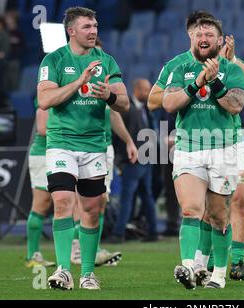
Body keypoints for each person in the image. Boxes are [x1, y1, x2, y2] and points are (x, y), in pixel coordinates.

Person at [148, 10, 244, 284]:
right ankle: (189, 266)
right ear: (190, 36)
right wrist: (196, 83)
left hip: (225, 148)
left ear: (220, 40)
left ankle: (219, 272)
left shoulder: (232, 67)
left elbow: (237, 103)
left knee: (219, 216)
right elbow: (161, 102)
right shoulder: (177, 65)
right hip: (189, 147)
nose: (203, 37)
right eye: (199, 33)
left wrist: (216, 81)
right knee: (191, 210)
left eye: (209, 34)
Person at [37, 6, 129, 290]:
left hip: (94, 145)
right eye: (87, 27)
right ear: (71, 31)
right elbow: (45, 100)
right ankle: (64, 271)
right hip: (61, 142)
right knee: (63, 202)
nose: (94, 31)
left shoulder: (107, 61)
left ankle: (88, 273)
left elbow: (124, 103)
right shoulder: (53, 60)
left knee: (91, 210)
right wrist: (79, 82)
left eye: (96, 26)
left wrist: (109, 95)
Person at [71, 105, 138, 265]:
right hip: (77, 145)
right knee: (77, 200)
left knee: (100, 200)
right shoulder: (72, 82)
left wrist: (128, 141)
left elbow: (114, 114)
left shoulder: (106, 84)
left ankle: (94, 249)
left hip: (104, 148)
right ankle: (76, 249)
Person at [112, 78, 159, 243]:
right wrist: (120, 158)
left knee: (139, 196)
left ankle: (121, 233)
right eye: (145, 90)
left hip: (145, 161)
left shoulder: (146, 109)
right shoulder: (126, 108)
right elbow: (118, 134)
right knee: (134, 197)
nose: (148, 93)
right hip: (132, 159)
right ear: (137, 90)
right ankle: (122, 232)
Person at [25, 99, 55, 268]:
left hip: (62, 152)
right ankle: (32, 255)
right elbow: (42, 129)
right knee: (41, 204)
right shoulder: (48, 94)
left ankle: (76, 250)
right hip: (44, 154)